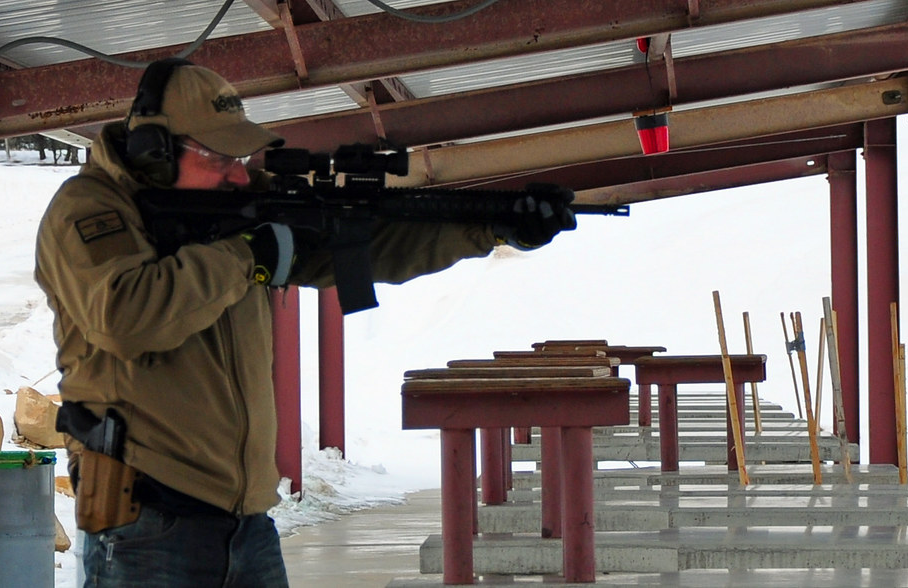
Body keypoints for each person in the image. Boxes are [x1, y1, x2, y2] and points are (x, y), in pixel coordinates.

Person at [34, 58, 574, 587]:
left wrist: (492, 228)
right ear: (155, 152)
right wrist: (246, 255)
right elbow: (127, 316)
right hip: (147, 521)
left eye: (241, 156)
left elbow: (370, 244)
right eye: (222, 156)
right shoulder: (87, 210)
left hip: (245, 521)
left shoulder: (239, 206)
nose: (239, 173)